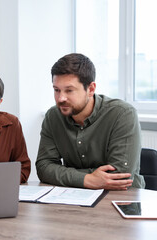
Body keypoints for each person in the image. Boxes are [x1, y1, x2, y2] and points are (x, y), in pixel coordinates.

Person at [36, 53, 145, 190]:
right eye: (57, 90)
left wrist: (65, 174)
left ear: (91, 89)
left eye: (69, 90)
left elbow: (119, 175)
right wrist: (87, 179)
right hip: (73, 198)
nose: (60, 98)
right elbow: (43, 167)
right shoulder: (53, 116)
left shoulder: (122, 114)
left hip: (121, 197)